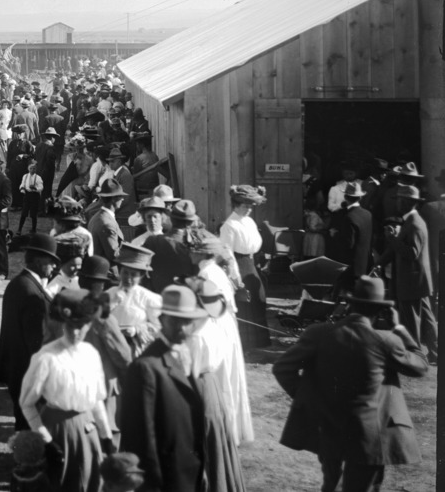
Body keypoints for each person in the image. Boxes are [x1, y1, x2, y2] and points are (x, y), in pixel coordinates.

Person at [273, 275, 428, 492]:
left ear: (349, 305)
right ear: (380, 311)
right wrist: (399, 328)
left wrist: (309, 397)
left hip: (327, 425)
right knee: (363, 486)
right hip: (370, 433)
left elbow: (282, 368)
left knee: (331, 483)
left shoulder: (318, 333)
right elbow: (420, 366)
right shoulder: (386, 340)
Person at [19, 288, 113, 492]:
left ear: (89, 325)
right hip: (57, 431)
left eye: (81, 326)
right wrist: (46, 441)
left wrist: (106, 435)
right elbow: (27, 404)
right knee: (61, 482)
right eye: (71, 326)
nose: (76, 332)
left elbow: (96, 399)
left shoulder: (91, 354)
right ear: (63, 324)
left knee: (89, 479)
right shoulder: (46, 357)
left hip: (87, 430)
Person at [120, 285, 211, 492]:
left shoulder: (185, 356)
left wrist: (200, 470)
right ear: (161, 320)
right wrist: (152, 485)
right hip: (165, 480)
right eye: (175, 320)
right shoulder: (145, 368)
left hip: (190, 472)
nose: (182, 328)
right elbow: (139, 437)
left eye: (187, 321)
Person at [184, 232, 253, 446]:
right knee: (225, 374)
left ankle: (223, 430)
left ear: (202, 253)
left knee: (220, 374)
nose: (189, 253)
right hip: (223, 323)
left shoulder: (207, 273)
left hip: (216, 325)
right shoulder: (214, 270)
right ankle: (227, 428)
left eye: (193, 250)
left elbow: (209, 306)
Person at [0, 233, 60, 430]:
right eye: (51, 261)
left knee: (22, 420)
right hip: (28, 371)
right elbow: (36, 342)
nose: (54, 267)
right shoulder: (32, 293)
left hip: (15, 367)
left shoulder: (18, 283)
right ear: (38, 261)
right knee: (31, 424)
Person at [375, 184, 438, 364]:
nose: (397, 203)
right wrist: (379, 263)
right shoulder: (412, 221)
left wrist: (392, 239)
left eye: (400, 200)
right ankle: (435, 353)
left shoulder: (414, 224)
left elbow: (411, 253)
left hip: (412, 280)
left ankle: (415, 357)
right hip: (418, 279)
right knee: (427, 319)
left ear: (409, 202)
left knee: (411, 321)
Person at [77, 256, 131, 437]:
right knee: (107, 432)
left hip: (73, 380)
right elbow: (123, 355)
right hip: (102, 383)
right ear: (102, 285)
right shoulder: (103, 316)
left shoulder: (65, 304)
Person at [220, 184, 271, 350]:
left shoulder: (249, 221)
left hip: (252, 263)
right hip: (239, 264)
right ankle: (244, 345)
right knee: (244, 302)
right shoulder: (229, 225)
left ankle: (258, 342)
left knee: (259, 298)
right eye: (245, 206)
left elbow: (255, 244)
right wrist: (236, 278)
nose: (249, 209)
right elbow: (227, 253)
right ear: (236, 205)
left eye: (251, 206)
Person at [327, 180, 373, 287]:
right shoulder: (368, 214)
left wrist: (335, 235)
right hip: (364, 263)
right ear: (360, 198)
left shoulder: (349, 217)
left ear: (345, 197)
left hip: (350, 265)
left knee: (348, 292)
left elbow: (348, 243)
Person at [87, 178, 126, 264]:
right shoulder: (107, 223)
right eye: (120, 197)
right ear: (114, 199)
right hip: (107, 269)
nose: (122, 199)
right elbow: (114, 255)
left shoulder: (97, 216)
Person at [16, 159, 44, 235]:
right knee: (24, 213)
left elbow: (41, 187)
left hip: (35, 196)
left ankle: (34, 229)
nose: (32, 170)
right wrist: (22, 188)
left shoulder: (38, 178)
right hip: (27, 195)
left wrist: (36, 188)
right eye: (31, 168)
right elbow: (22, 184)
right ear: (28, 169)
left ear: (36, 169)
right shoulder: (25, 176)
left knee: (33, 214)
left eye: (34, 168)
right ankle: (19, 229)